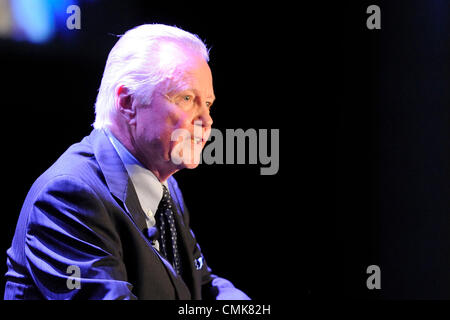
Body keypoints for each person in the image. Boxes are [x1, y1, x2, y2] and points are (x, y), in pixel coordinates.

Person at [4, 24, 250, 300]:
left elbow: (201, 286)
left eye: (208, 103)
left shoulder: (167, 188)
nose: (207, 120)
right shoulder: (68, 196)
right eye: (187, 98)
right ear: (127, 102)